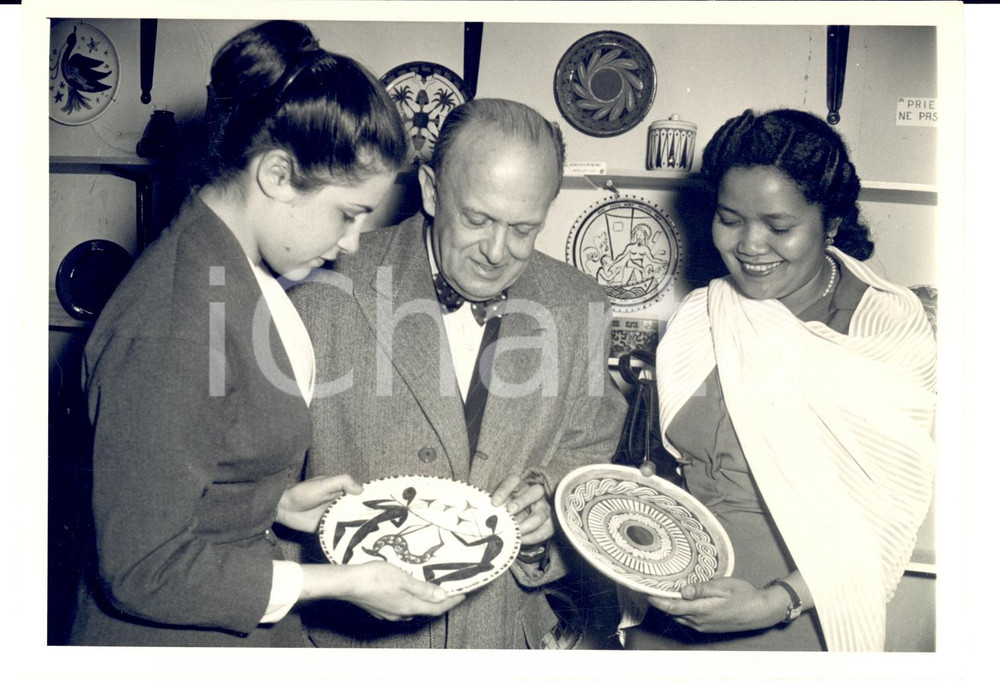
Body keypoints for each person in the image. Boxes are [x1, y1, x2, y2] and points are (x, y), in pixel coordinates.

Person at [68, 20, 462, 647]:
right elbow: (141, 569)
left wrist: (269, 504)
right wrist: (337, 582)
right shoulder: (172, 319)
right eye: (348, 213)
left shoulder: (230, 266)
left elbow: (189, 467)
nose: (351, 244)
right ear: (278, 175)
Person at [290, 98, 628, 649]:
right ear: (429, 189)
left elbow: (587, 453)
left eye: (524, 228)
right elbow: (257, 495)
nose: (498, 251)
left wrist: (553, 507)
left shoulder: (581, 305)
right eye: (477, 219)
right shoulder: (323, 288)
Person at [621, 108, 936, 651]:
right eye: (730, 218)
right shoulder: (703, 313)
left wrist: (773, 602)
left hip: (792, 621)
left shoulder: (885, 329)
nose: (749, 244)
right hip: (672, 610)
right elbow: (671, 463)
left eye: (779, 226)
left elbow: (886, 519)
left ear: (832, 222)